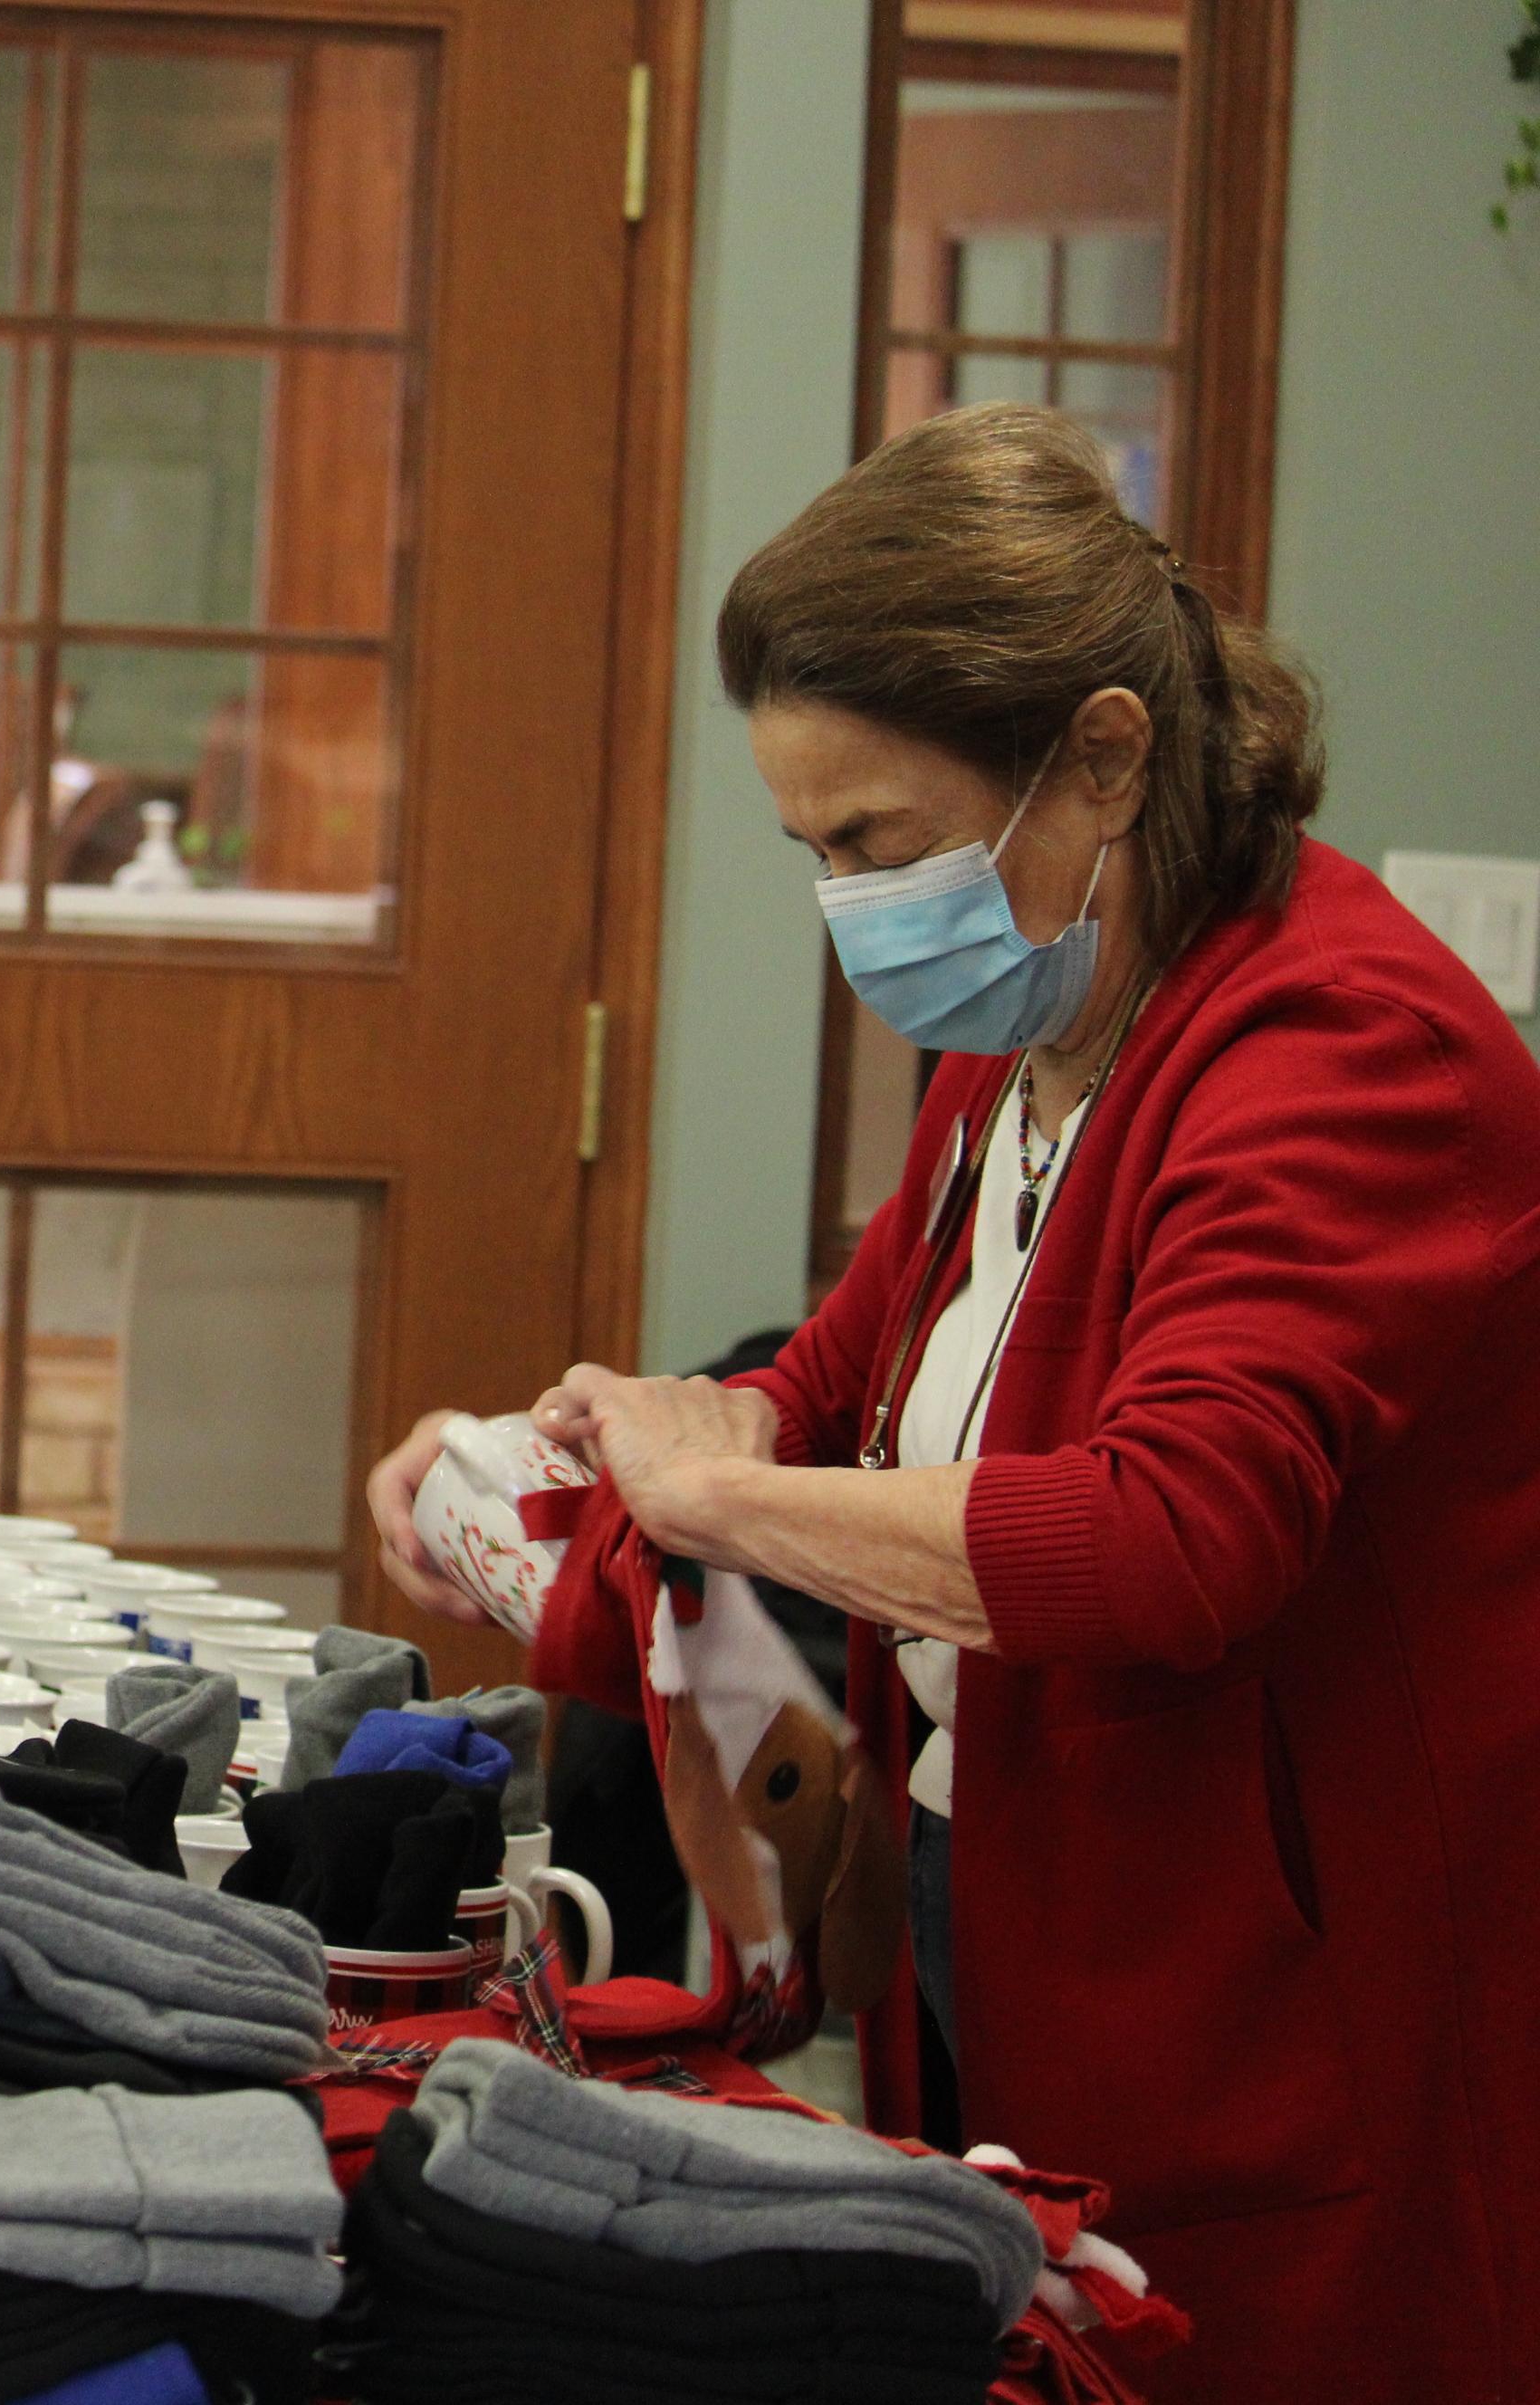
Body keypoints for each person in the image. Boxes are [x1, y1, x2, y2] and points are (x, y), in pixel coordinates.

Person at [369, 403, 1540, 2402]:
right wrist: (554, 1467)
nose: (846, 905)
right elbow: (818, 1406)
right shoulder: (1032, 1039)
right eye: (811, 848)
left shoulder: (1345, 1046)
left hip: (1288, 2011)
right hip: (1007, 1912)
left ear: (1102, 754)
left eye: (876, 843)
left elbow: (1170, 1535)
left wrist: (716, 1498)